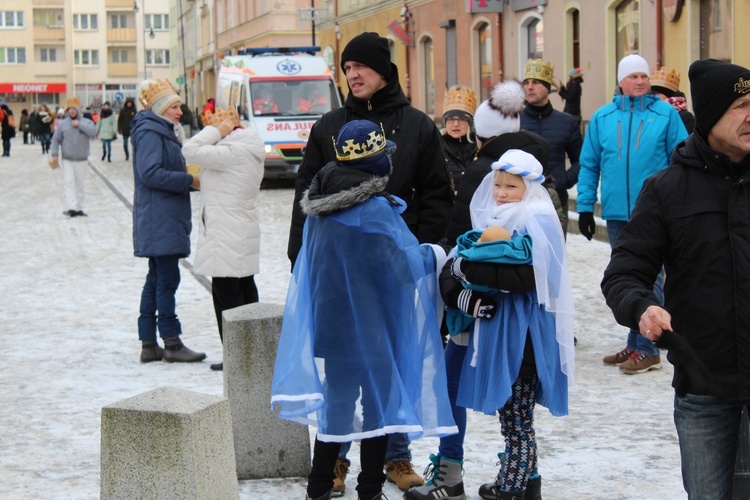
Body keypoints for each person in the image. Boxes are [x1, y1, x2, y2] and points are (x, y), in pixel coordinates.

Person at [287, 31, 454, 494]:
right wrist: (302, 263)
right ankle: (337, 464)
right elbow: (307, 195)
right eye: (346, 68)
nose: (352, 74)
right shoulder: (329, 125)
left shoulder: (417, 126)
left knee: (391, 372)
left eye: (360, 66)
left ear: (384, 71)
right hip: (341, 281)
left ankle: (395, 459)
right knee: (343, 378)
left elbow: (438, 197)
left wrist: (414, 253)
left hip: (394, 277)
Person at [601, 58, 750, 500]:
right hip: (704, 382)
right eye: (741, 105)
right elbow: (624, 272)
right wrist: (642, 306)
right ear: (710, 116)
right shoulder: (667, 189)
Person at [406, 149, 574, 500]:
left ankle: (519, 484)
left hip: (516, 329)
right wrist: (457, 286)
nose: (500, 191)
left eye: (510, 186)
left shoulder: (536, 218)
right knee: (469, 396)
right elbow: (458, 257)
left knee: (516, 414)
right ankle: (467, 477)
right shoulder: (492, 213)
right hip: (477, 324)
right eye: (497, 184)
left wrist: (467, 270)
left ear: (529, 187)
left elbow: (529, 276)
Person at [576, 54, 687, 374]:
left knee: (653, 277)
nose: (640, 81)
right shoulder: (603, 117)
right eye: (633, 77)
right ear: (621, 81)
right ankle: (637, 339)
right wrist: (584, 206)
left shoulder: (665, 114)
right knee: (628, 277)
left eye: (643, 76)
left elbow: (681, 160)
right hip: (616, 212)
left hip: (655, 212)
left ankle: (648, 347)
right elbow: (590, 164)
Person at [182, 105, 265, 372]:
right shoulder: (248, 147)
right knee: (245, 292)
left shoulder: (230, 150)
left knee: (227, 297)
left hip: (226, 233)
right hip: (239, 229)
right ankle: (252, 352)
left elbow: (189, 150)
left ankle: (237, 357)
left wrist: (213, 131)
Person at [130, 78, 205, 364]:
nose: (179, 111)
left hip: (160, 216)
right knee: (167, 279)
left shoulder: (161, 130)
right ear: (161, 108)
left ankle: (149, 344)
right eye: (174, 106)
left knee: (156, 279)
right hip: (159, 217)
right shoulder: (152, 132)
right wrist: (189, 180)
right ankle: (171, 343)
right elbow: (149, 173)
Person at [445, 79, 550, 247]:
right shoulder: (530, 158)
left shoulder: (481, 169)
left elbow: (461, 227)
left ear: (481, 135)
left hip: (484, 256)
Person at [521, 59, 583, 237]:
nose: (529, 87)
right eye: (526, 82)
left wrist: (564, 180)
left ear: (548, 88)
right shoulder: (514, 121)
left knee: (555, 259)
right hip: (520, 202)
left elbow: (581, 160)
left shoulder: (566, 122)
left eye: (536, 82)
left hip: (556, 203)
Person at [49, 99, 96, 217]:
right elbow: (55, 139)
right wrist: (55, 154)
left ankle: (79, 208)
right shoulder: (63, 124)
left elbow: (93, 132)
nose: (72, 111)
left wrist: (79, 124)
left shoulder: (87, 122)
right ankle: (71, 208)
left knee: (80, 184)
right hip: (67, 159)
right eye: (70, 109)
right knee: (68, 183)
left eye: (74, 108)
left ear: (79, 110)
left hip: (82, 159)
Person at [441, 85, 478, 194]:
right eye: (451, 119)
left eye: (461, 119)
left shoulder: (479, 147)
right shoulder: (436, 146)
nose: (456, 124)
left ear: (469, 123)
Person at [650, 65, 696, 134]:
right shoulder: (649, 114)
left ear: (669, 95)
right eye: (651, 94)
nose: (654, 97)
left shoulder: (685, 117)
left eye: (657, 93)